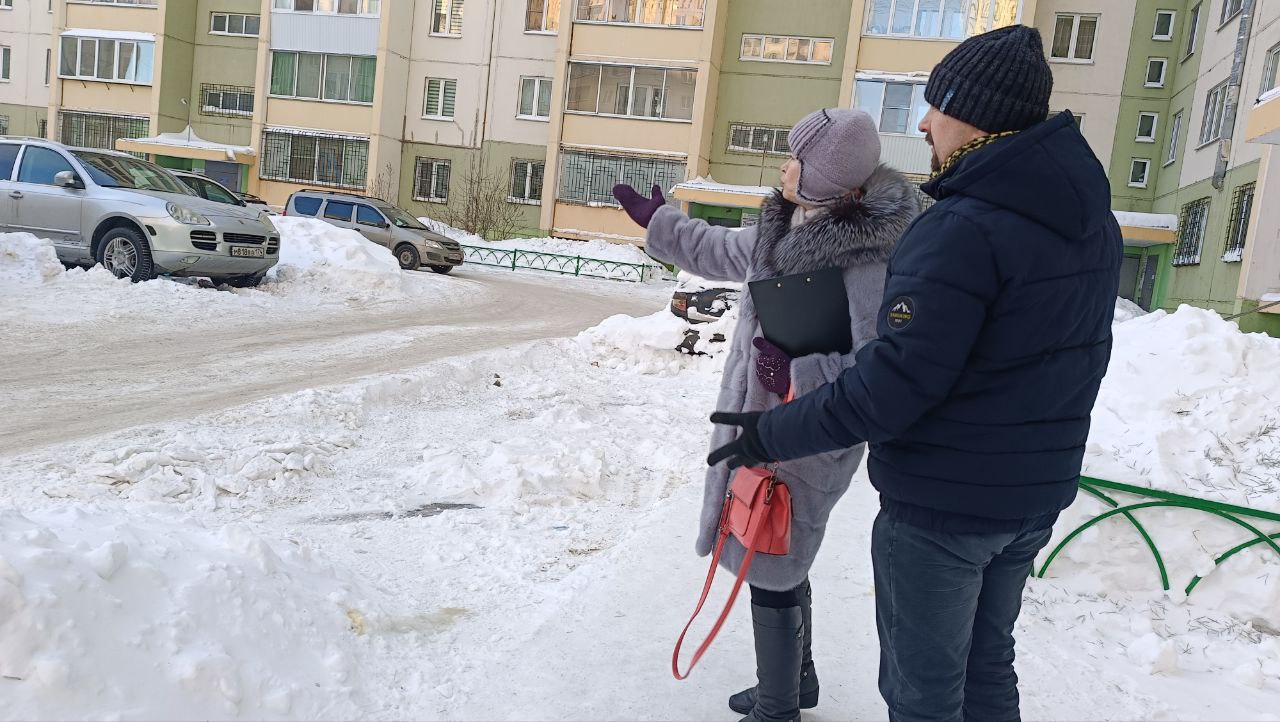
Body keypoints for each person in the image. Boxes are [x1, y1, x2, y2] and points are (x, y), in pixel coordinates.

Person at [706, 26, 1123, 722]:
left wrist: (770, 433)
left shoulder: (961, 227)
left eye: (936, 106)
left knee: (922, 694)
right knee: (988, 667)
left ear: (975, 113)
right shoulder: (1088, 219)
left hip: (943, 509)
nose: (925, 123)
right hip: (1030, 497)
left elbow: (893, 385)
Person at [612, 108, 920, 722]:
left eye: (797, 159)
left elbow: (867, 368)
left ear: (827, 180)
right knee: (780, 550)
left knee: (772, 561)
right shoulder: (788, 222)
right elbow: (723, 251)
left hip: (811, 433)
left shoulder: (868, 262)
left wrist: (795, 373)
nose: (784, 166)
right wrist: (663, 223)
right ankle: (796, 683)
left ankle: (777, 706)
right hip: (763, 422)